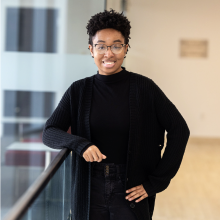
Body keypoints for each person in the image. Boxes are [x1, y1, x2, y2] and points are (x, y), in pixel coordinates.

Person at [42, 9, 190, 220]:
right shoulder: (79, 90)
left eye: (116, 46)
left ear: (126, 48)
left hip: (131, 188)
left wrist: (156, 182)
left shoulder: (144, 88)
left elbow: (180, 130)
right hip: (89, 184)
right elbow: (50, 132)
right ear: (91, 50)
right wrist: (80, 144)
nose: (108, 53)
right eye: (101, 46)